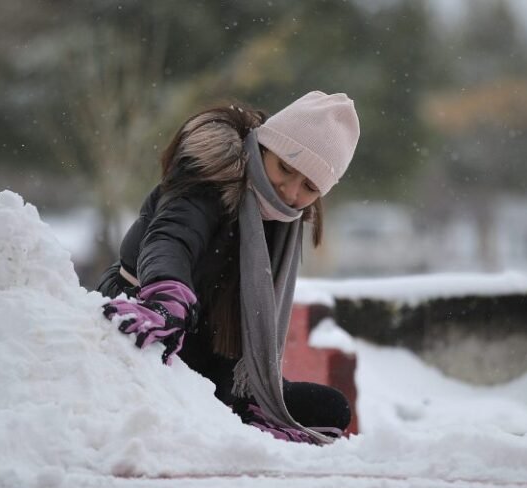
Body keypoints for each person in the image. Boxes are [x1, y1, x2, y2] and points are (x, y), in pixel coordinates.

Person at [97, 91, 360, 445]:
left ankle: (245, 411)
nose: (289, 190)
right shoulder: (209, 179)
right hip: (152, 316)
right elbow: (172, 237)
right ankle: (230, 417)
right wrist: (167, 293)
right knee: (177, 389)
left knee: (332, 409)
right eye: (285, 167)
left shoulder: (282, 222)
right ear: (265, 146)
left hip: (215, 353)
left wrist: (258, 387)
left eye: (310, 187)